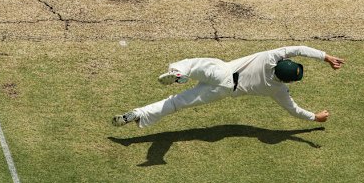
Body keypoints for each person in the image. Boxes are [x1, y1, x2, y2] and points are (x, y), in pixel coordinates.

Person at [112, 46, 345, 128]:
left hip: (222, 72)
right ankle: (139, 114)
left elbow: (301, 48)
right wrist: (315, 118)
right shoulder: (276, 89)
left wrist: (326, 57)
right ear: (287, 80)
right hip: (222, 91)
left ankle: (179, 73)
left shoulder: (271, 56)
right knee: (176, 103)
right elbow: (293, 109)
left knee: (193, 65)